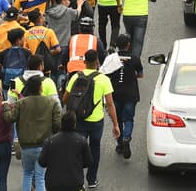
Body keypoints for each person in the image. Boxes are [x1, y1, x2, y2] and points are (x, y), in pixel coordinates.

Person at [63, 49, 118, 190]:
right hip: (96, 121)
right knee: (95, 148)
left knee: (77, 150)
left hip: (78, 119)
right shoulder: (104, 80)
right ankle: (92, 179)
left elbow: (65, 98)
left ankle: (78, 180)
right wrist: (115, 124)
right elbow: (110, 104)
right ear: (97, 62)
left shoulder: (76, 77)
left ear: (84, 61)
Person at [5, 74, 63, 191]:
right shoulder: (51, 102)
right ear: (40, 87)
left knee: (27, 173)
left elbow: (10, 118)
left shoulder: (21, 103)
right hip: (44, 145)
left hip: (26, 145)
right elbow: (57, 124)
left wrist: (5, 107)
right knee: (40, 176)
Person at [37, 111, 92, 191]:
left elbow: (41, 162)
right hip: (75, 183)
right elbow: (88, 162)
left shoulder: (50, 141)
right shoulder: (81, 141)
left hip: (53, 184)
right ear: (74, 124)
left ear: (61, 124)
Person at [109, 34, 143, 160]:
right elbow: (140, 74)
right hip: (130, 94)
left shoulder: (112, 59)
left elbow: (106, 74)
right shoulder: (134, 59)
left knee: (117, 120)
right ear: (128, 45)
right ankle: (126, 138)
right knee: (128, 119)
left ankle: (119, 145)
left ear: (117, 45)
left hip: (115, 94)